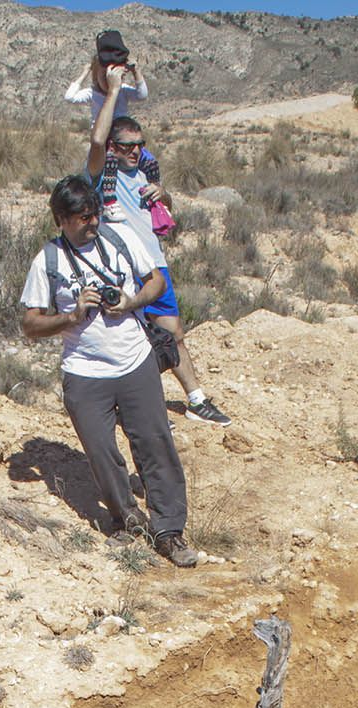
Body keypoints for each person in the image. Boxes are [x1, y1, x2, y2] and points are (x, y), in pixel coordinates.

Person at [20, 175, 199, 568]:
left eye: (95, 213)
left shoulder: (120, 239)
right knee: (101, 452)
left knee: (155, 444)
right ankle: (126, 520)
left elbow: (156, 281)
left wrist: (131, 301)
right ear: (62, 220)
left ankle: (169, 531)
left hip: (135, 360)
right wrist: (73, 315)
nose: (93, 222)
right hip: (84, 372)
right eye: (83, 217)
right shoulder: (47, 261)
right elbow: (30, 325)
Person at [86, 74, 231, 426]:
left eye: (139, 144)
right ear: (113, 148)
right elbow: (96, 138)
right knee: (126, 343)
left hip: (155, 266)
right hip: (123, 269)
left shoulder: (144, 175)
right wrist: (116, 90)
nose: (134, 151)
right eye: (125, 146)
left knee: (173, 333)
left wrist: (163, 194)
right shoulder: (101, 171)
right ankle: (129, 406)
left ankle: (196, 400)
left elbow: (161, 210)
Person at [63, 30, 149, 122]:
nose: (108, 81)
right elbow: (69, 97)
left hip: (119, 132)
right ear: (96, 75)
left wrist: (136, 72)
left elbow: (142, 95)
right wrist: (85, 73)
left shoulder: (123, 90)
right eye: (104, 76)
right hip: (101, 133)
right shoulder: (93, 93)